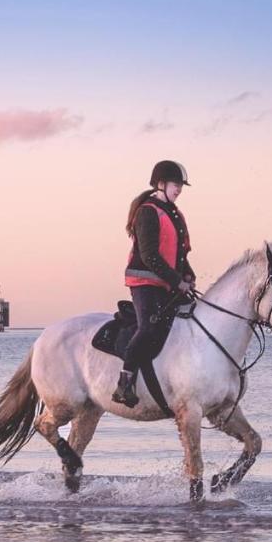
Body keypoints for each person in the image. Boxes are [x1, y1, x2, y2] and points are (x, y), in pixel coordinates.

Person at [112, 160, 196, 407]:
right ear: (161, 184)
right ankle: (125, 382)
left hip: (169, 283)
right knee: (148, 327)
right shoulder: (148, 211)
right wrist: (176, 281)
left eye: (181, 185)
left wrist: (188, 275)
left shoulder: (175, 213)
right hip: (144, 281)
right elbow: (149, 255)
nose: (179, 189)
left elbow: (182, 254)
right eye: (176, 184)